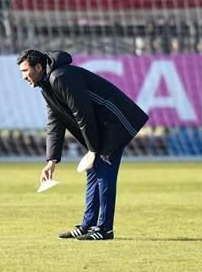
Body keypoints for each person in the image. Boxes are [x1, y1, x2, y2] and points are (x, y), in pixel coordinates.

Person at [17, 49, 148, 241]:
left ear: (38, 67)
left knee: (103, 169)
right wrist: (51, 160)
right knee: (94, 171)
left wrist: (93, 150)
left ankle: (104, 229)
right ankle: (88, 225)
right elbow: (55, 122)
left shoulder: (60, 77)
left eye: (25, 71)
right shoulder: (47, 85)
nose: (23, 76)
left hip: (117, 121)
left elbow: (83, 114)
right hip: (103, 125)